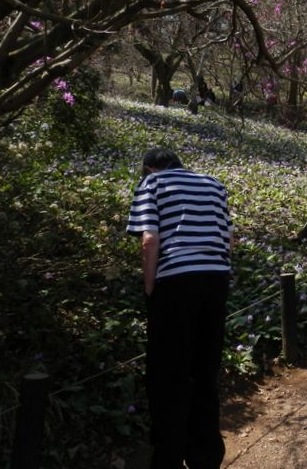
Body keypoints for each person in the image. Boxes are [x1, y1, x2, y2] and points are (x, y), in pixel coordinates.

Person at [127, 148, 233, 468]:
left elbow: (149, 240)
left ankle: (169, 458)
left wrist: (150, 290)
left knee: (169, 375)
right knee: (204, 371)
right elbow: (228, 237)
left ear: (149, 167)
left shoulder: (153, 184)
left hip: (175, 283)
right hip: (215, 281)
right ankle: (205, 455)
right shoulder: (214, 184)